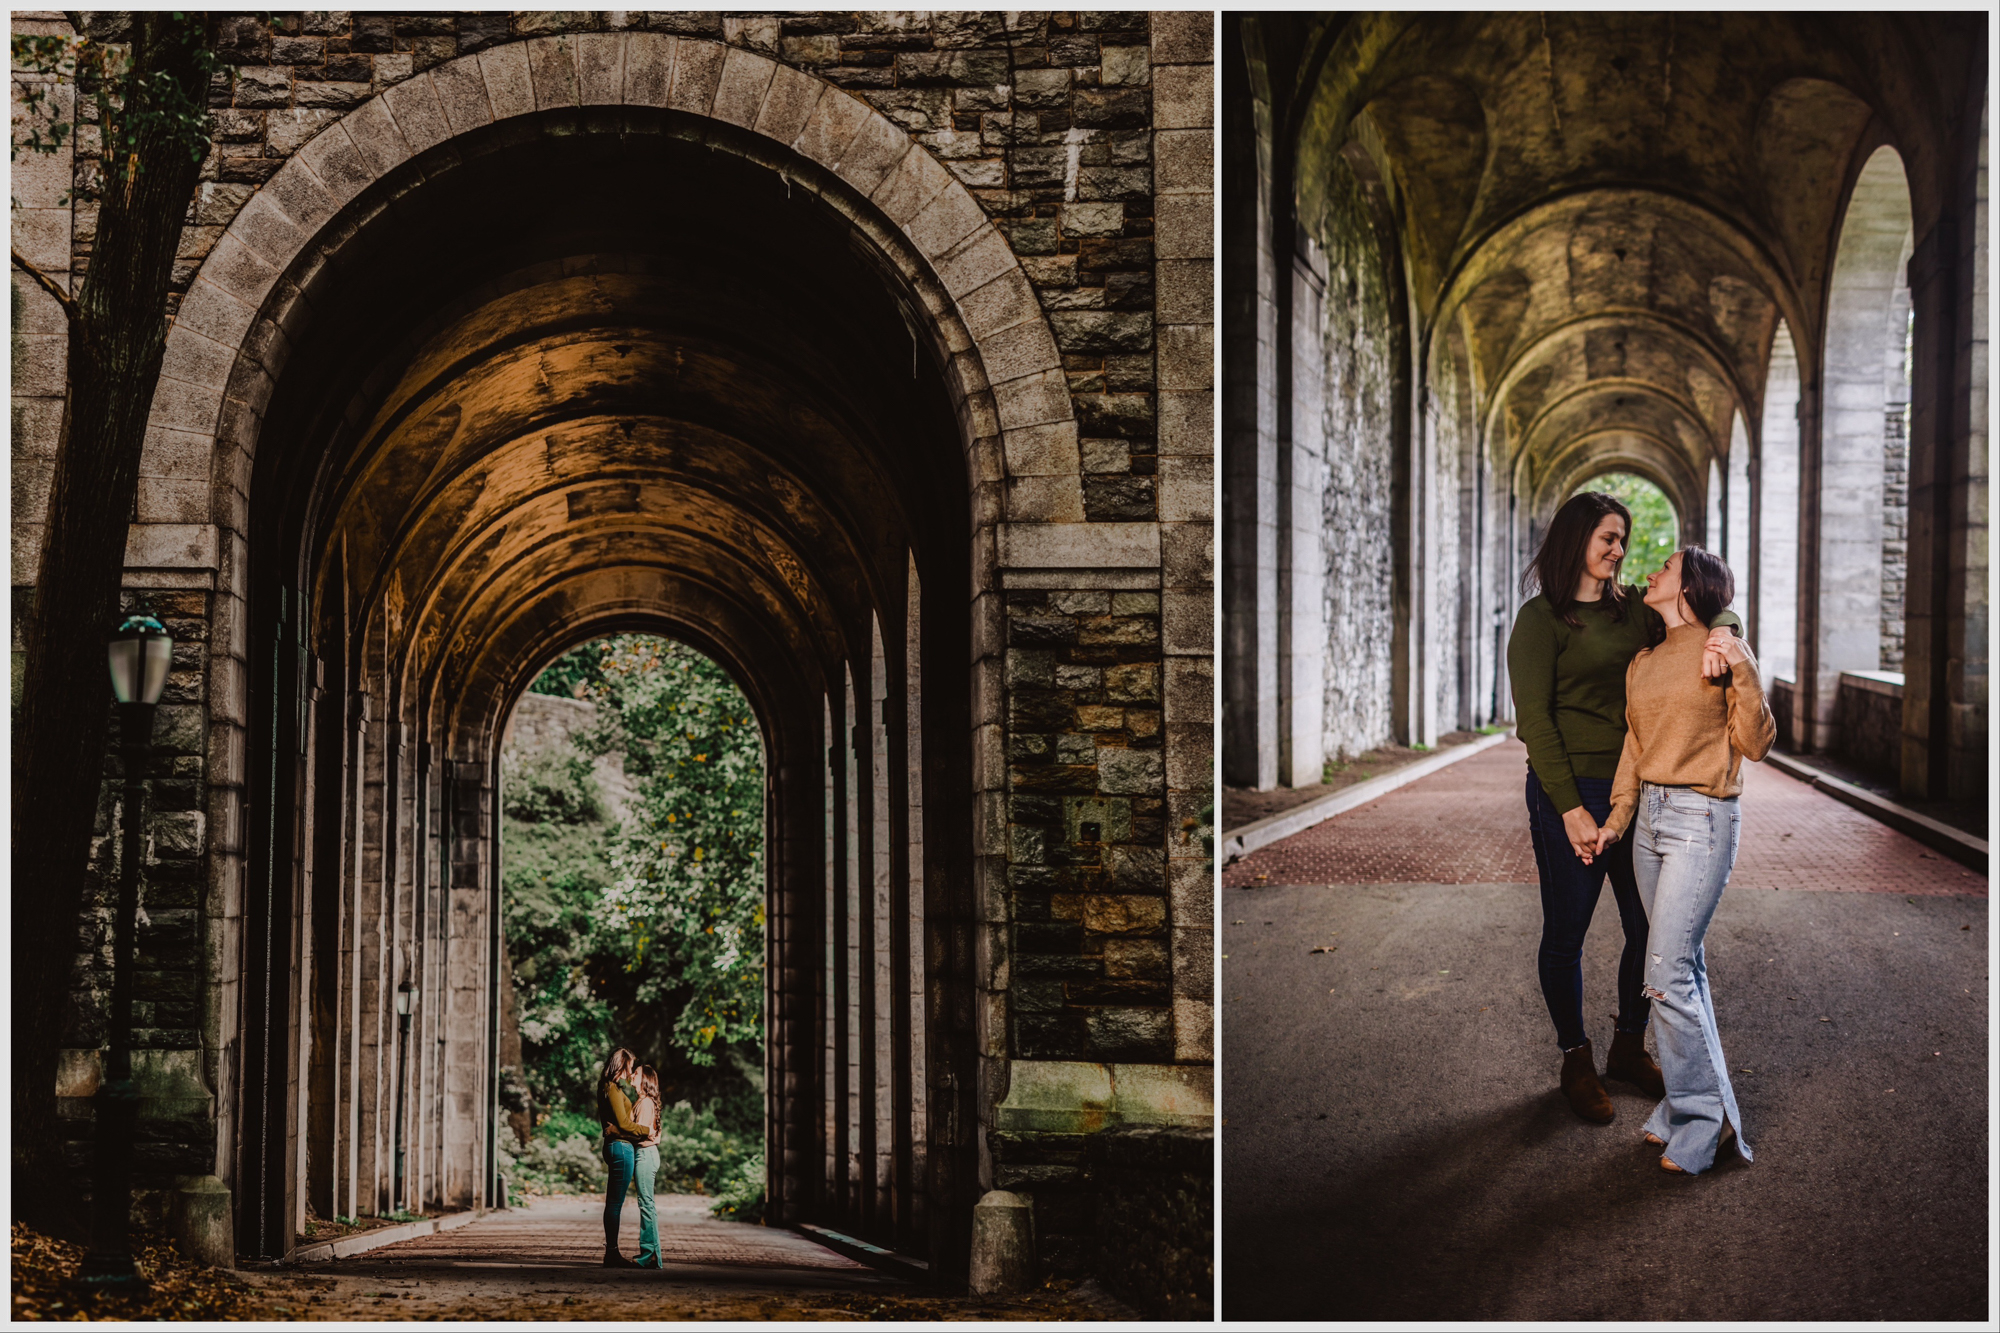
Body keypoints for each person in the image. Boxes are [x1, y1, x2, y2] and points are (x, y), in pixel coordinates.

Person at [1506, 492, 1737, 1124]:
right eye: (1609, 537)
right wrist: (1569, 811)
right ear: (1575, 539)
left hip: (1643, 790)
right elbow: (1536, 724)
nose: (1619, 550)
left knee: (1647, 928)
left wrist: (1727, 636)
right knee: (1566, 932)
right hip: (1569, 792)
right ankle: (1575, 1059)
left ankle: (1628, 1047)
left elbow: (1710, 607)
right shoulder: (1540, 621)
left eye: (1624, 540)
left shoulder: (1636, 607)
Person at [1594, 547, 1773, 1174]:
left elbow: (1756, 743)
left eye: (1664, 566)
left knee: (1665, 972)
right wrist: (1616, 821)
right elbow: (1633, 748)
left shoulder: (1722, 650)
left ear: (1691, 584)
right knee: (1680, 970)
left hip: (1701, 819)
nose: (1649, 572)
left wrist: (1741, 667)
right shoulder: (1643, 662)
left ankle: (1707, 1122)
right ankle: (1684, 1105)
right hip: (1648, 821)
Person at [596, 1047, 651, 1266]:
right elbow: (624, 1123)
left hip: (618, 1145)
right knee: (615, 1204)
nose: (631, 1072)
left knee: (614, 1202)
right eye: (630, 1066)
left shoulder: (612, 1087)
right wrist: (647, 1130)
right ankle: (612, 1254)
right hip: (620, 1148)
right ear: (622, 1064)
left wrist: (621, 1131)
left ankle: (612, 1252)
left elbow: (619, 1126)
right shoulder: (611, 1088)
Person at [630, 1065, 666, 1269]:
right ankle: (652, 1254)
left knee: (646, 1205)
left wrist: (617, 1130)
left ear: (645, 1079)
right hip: (647, 1154)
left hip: (645, 1154)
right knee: (647, 1204)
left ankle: (649, 1254)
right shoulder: (645, 1102)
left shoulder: (644, 1103)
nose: (632, 1075)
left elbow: (641, 1133)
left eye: (636, 1073)